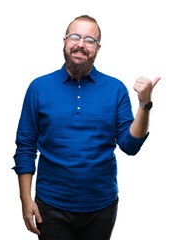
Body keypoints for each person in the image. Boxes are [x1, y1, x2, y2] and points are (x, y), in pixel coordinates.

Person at [13, 15, 161, 240]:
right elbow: (25, 146)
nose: (81, 44)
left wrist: (144, 105)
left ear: (98, 48)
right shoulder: (39, 87)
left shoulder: (115, 89)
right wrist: (26, 199)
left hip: (101, 207)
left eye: (89, 40)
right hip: (51, 206)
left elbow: (130, 146)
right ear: (64, 41)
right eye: (75, 37)